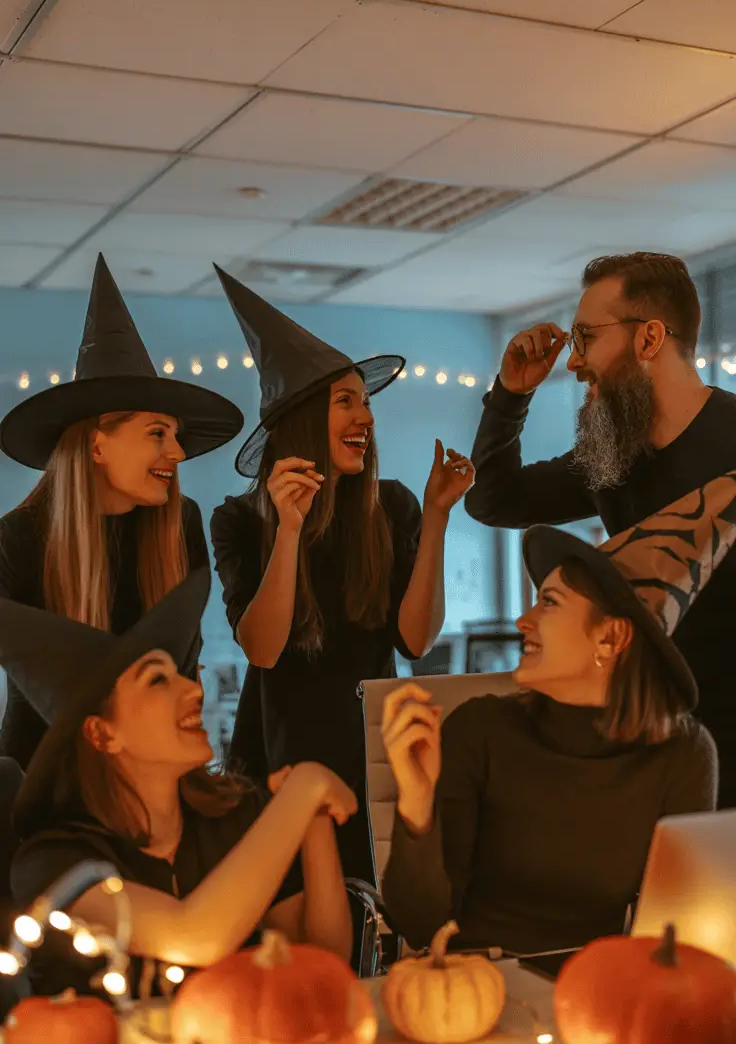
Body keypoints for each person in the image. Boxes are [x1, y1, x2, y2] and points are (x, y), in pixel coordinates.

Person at [382, 476, 736, 1044]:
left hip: (604, 1036)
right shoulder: (480, 731)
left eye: (547, 603)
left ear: (611, 638)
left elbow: (677, 938)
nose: (521, 618)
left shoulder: (682, 755)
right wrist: (414, 810)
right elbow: (420, 923)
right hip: (475, 1023)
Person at [210, 267, 474, 886]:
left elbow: (415, 641)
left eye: (367, 401)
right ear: (302, 420)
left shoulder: (396, 507)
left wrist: (437, 516)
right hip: (279, 751)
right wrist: (289, 529)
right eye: (346, 401)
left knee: (373, 908)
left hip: (373, 745)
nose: (367, 417)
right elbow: (263, 647)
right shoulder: (240, 520)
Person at [464, 252, 736, 810]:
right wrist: (512, 394)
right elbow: (493, 498)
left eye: (586, 337)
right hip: (649, 749)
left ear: (649, 338)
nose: (574, 361)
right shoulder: (612, 460)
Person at [2, 571, 355, 998]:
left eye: (182, 674)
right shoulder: (56, 863)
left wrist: (313, 819)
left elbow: (326, 960)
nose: (193, 690)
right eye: (157, 680)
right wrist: (302, 793)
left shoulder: (234, 816)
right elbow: (194, 935)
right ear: (101, 734)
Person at [0, 255, 243, 771]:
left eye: (175, 436)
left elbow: (185, 674)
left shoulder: (182, 524)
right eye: (158, 433)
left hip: (156, 779)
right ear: (96, 445)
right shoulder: (17, 540)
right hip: (47, 783)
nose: (177, 453)